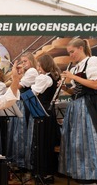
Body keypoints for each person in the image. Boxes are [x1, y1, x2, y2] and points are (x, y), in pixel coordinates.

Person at [58, 38, 97, 184]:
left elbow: (94, 84)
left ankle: (96, 175)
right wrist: (64, 88)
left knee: (90, 140)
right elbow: (75, 91)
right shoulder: (76, 67)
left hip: (88, 104)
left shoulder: (93, 61)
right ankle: (82, 173)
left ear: (81, 48)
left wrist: (72, 77)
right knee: (77, 142)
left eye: (72, 52)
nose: (71, 55)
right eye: (69, 53)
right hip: (76, 105)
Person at [28, 54, 61, 183]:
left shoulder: (45, 78)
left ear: (43, 65)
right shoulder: (52, 77)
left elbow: (34, 92)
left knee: (42, 143)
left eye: (38, 65)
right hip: (47, 112)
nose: (38, 68)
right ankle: (46, 173)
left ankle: (42, 172)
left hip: (43, 112)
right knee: (46, 143)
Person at [7, 52, 38, 170]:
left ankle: (22, 162)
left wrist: (16, 74)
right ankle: (17, 160)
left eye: (25, 61)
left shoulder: (32, 72)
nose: (23, 64)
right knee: (17, 133)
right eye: (22, 61)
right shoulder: (27, 72)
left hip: (26, 105)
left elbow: (18, 86)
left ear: (31, 61)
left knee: (21, 133)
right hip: (21, 103)